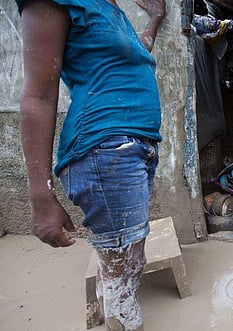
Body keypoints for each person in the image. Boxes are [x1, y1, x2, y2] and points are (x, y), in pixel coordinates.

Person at [16, 0, 165, 330]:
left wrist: (155, 19)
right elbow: (37, 95)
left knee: (125, 264)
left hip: (131, 148)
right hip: (107, 150)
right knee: (123, 276)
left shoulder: (108, 8)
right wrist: (40, 196)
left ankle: (106, 316)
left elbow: (135, 56)